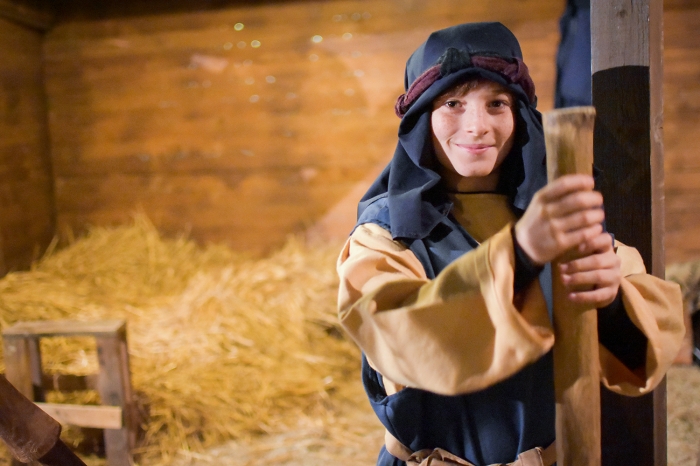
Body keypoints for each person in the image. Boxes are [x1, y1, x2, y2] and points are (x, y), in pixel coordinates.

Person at [336, 22, 684, 466]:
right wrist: (521, 256)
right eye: (453, 103)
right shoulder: (384, 235)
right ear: (421, 117)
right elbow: (401, 336)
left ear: (521, 115)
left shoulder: (558, 220)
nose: (477, 126)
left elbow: (648, 344)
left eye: (497, 103)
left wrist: (612, 302)